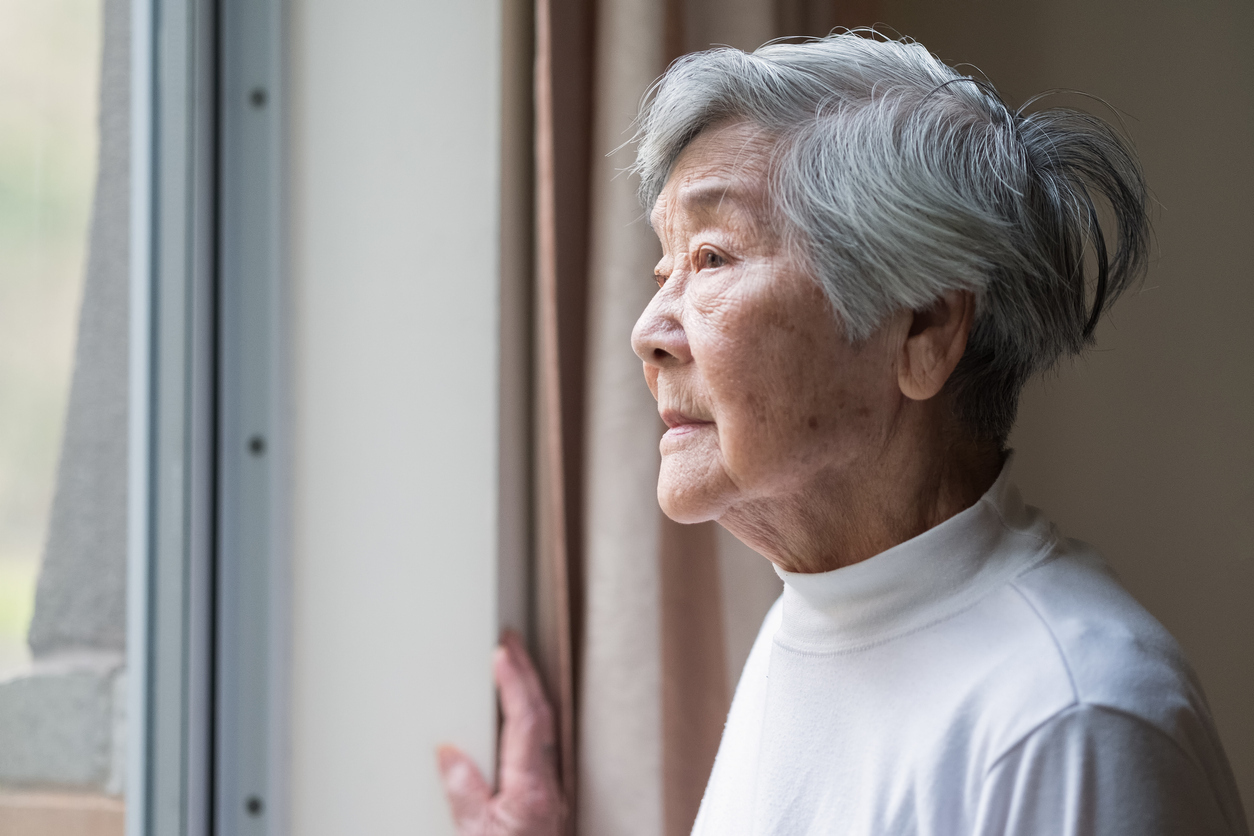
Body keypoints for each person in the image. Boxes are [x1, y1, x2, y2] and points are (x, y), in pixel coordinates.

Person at [436, 32, 1250, 835]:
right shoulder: (821, 615)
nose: (649, 330)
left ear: (925, 327)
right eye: (665, 270)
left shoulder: (1073, 722)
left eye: (713, 258)